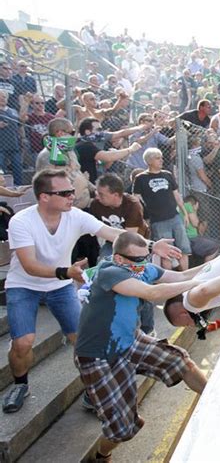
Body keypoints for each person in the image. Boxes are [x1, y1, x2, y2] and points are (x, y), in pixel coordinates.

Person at [2, 169, 181, 414]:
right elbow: (29, 265)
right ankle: (20, 384)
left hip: (61, 284)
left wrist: (151, 245)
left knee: (84, 339)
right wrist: (67, 272)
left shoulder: (74, 215)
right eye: (64, 193)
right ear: (44, 197)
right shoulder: (21, 221)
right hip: (24, 285)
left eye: (72, 191)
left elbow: (112, 233)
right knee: (23, 343)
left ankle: (93, 389)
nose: (72, 197)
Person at [75, 231, 207, 462]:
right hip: (98, 357)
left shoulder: (142, 267)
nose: (142, 264)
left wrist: (219, 264)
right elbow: (152, 292)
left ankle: (214, 398)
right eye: (136, 260)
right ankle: (101, 455)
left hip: (130, 340)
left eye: (145, 258)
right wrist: (198, 283)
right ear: (118, 258)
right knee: (124, 428)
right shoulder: (110, 272)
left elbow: (182, 275)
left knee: (180, 360)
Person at [132, 148, 192, 270]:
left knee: (184, 250)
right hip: (158, 221)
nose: (161, 160)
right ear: (149, 161)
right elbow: (136, 201)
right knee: (167, 254)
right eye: (157, 158)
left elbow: (177, 195)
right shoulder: (141, 178)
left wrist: (184, 213)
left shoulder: (167, 175)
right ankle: (169, 281)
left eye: (161, 158)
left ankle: (186, 278)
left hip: (175, 217)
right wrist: (142, 219)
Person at [0, 89, 23, 185]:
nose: (2, 98)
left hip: (14, 145)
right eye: (0, 96)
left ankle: (18, 188)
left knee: (18, 168)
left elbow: (20, 125)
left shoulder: (13, 111)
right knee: (2, 170)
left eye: (4, 96)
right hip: (1, 147)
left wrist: (22, 138)